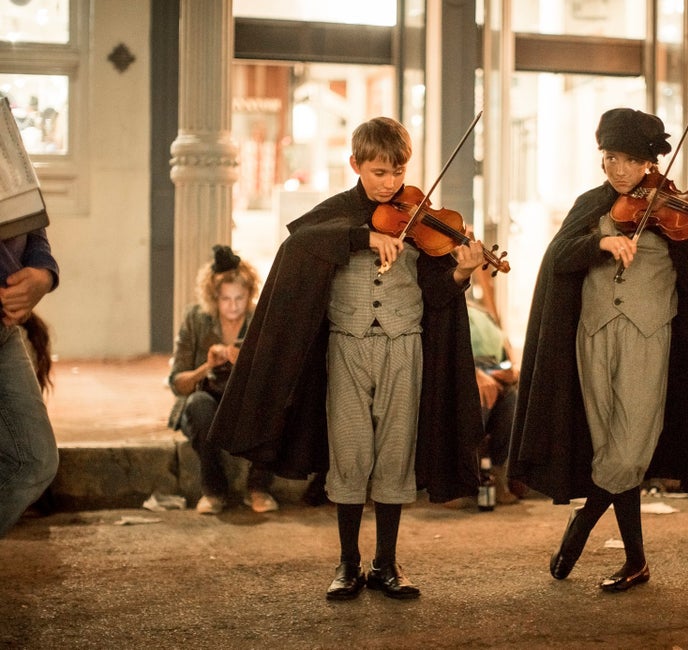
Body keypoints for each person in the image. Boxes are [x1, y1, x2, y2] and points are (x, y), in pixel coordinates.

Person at [208, 117, 486, 601]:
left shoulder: (422, 219)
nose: (390, 183)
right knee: (351, 450)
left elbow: (437, 294)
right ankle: (347, 563)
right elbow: (299, 243)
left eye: (398, 172)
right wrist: (362, 237)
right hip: (347, 347)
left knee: (396, 453)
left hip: (404, 344)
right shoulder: (336, 213)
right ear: (355, 165)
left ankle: (387, 563)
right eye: (379, 172)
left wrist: (462, 275)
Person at [508, 107, 688, 593]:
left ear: (652, 163)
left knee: (630, 446)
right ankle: (636, 562)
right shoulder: (592, 205)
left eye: (630, 160)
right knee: (609, 444)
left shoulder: (675, 213)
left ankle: (583, 524)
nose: (617, 170)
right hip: (592, 337)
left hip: (647, 338)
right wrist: (602, 243)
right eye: (610, 157)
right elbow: (558, 259)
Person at [168, 245, 278, 514]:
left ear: (250, 295)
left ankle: (258, 488)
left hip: (245, 399)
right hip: (208, 397)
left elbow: (277, 379)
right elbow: (177, 383)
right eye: (226, 299)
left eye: (239, 298)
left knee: (274, 405)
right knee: (198, 406)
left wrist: (245, 363)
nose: (233, 306)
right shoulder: (196, 320)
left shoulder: (259, 321)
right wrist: (207, 366)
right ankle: (214, 491)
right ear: (213, 297)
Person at [0, 225, 60, 538]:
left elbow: (31, 222)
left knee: (35, 461)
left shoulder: (11, 171)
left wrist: (43, 274)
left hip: (5, 327)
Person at [467, 284, 520, 505]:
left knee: (513, 402)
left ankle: (498, 475)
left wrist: (511, 371)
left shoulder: (485, 314)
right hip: (467, 370)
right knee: (478, 402)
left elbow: (505, 352)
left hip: (495, 368)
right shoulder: (453, 310)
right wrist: (474, 373)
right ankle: (466, 480)